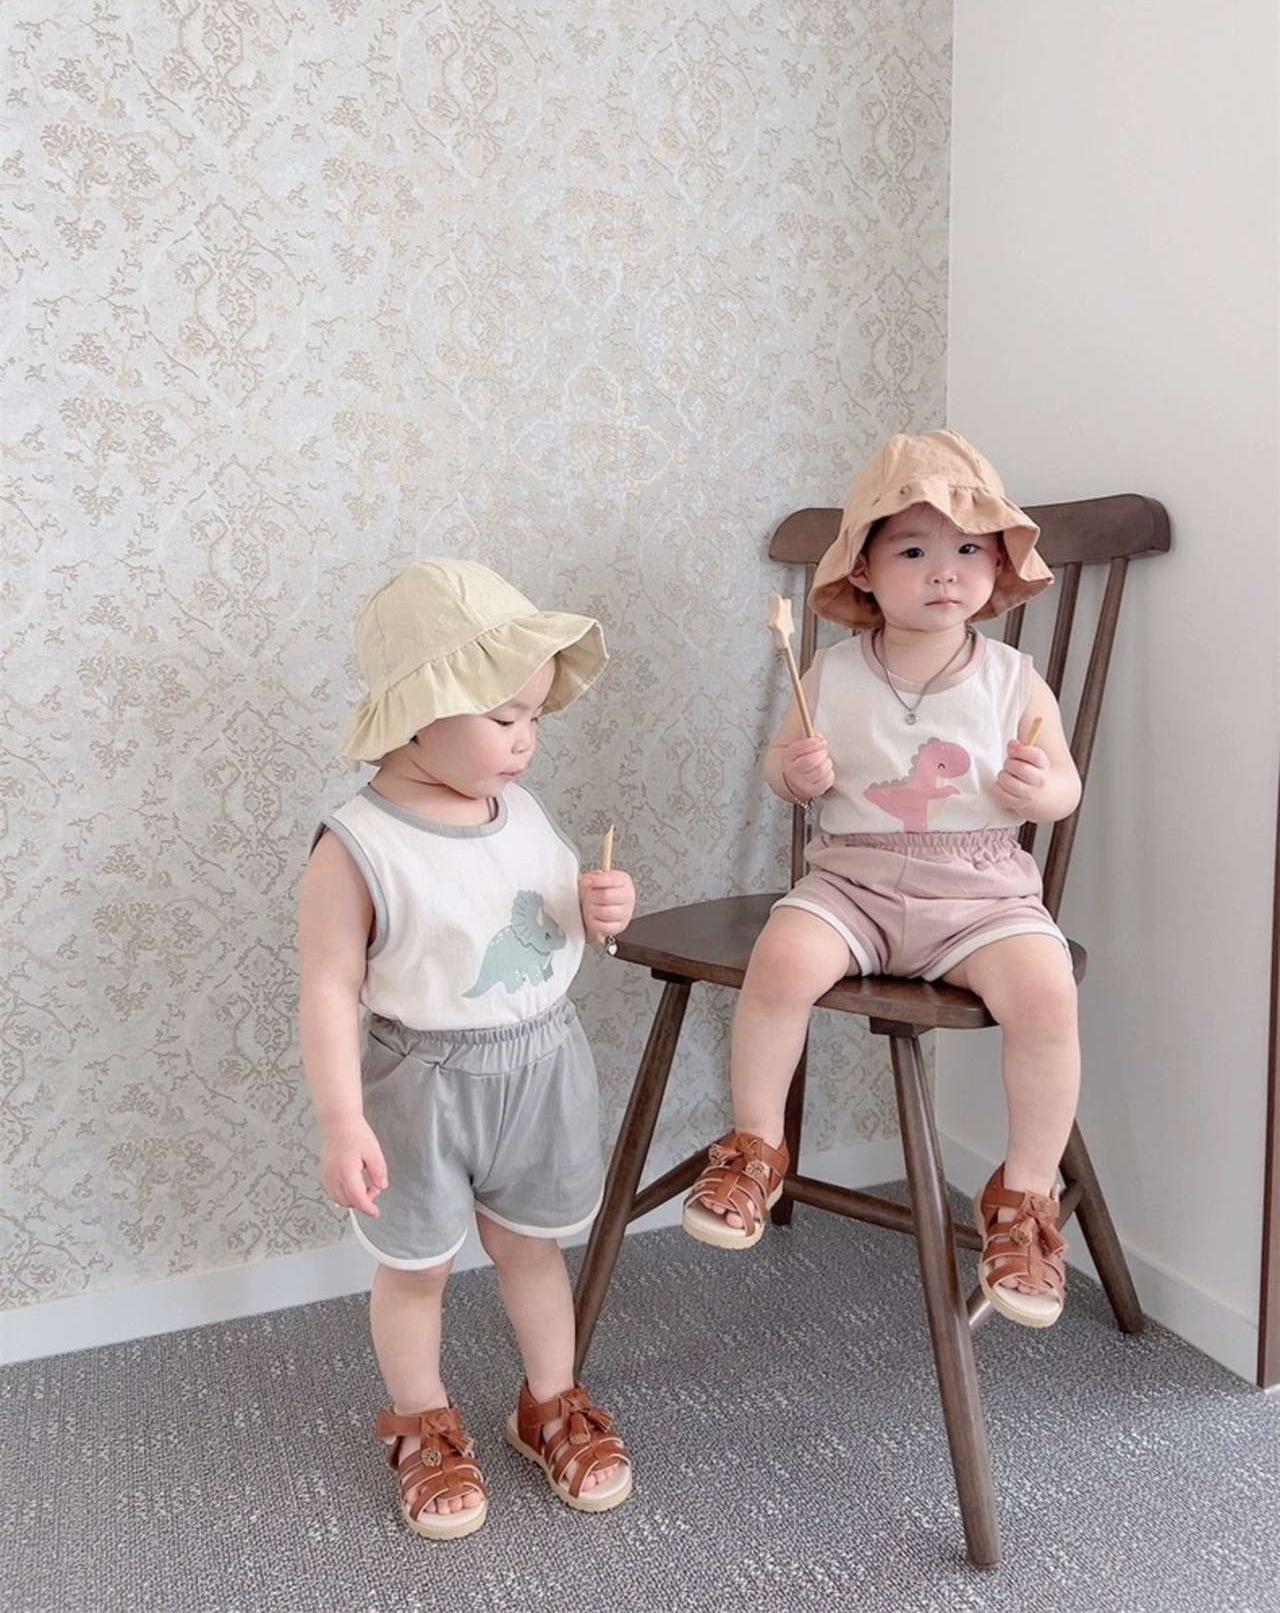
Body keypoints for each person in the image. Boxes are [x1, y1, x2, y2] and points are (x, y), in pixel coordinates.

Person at [682, 429, 1082, 1330]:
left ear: (997, 564)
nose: (944, 571)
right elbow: (780, 765)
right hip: (851, 885)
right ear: (862, 569)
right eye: (912, 552)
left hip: (980, 894)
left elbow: (1066, 784)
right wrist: (798, 775)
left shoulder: (1014, 678)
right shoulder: (829, 670)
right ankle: (756, 1147)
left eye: (969, 550)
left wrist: (1042, 790)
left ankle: (1024, 1200)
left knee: (1046, 991)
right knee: (782, 959)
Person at [298, 558, 636, 1539]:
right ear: (418, 712)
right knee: (417, 1267)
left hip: (541, 1064)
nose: (526, 738)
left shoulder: (521, 812)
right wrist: (342, 1120)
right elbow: (328, 988)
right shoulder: (358, 846)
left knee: (531, 1246)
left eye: (535, 716)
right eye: (502, 716)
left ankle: (550, 1399)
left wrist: (597, 908)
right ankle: (423, 1422)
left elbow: (543, 915)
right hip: (423, 1085)